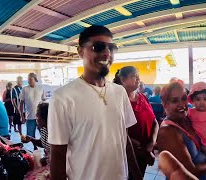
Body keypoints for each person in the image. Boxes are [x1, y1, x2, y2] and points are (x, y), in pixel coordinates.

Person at [48, 25, 141, 180]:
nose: (106, 53)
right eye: (98, 47)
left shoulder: (119, 92)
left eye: (111, 48)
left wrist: (137, 176)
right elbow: (58, 155)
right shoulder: (63, 97)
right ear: (80, 52)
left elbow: (124, 138)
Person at [157, 82, 206, 180]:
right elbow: (189, 171)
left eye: (184, 98)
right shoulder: (167, 131)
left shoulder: (186, 119)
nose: (182, 104)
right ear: (165, 104)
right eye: (175, 101)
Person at [113, 66, 159, 178]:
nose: (138, 79)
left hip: (146, 150)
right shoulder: (117, 101)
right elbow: (117, 131)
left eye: (138, 76)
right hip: (130, 153)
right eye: (134, 76)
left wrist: (151, 143)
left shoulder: (143, 97)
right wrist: (142, 151)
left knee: (140, 175)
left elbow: (155, 122)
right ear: (123, 80)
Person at [20, 73, 45, 138]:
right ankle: (34, 147)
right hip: (29, 116)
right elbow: (21, 103)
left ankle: (44, 147)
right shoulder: (24, 89)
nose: (29, 81)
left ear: (35, 79)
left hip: (40, 116)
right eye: (28, 79)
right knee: (30, 136)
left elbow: (44, 101)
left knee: (43, 134)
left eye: (31, 79)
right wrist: (21, 115)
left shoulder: (40, 88)